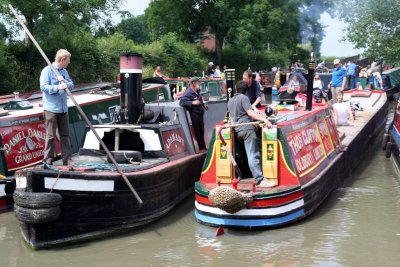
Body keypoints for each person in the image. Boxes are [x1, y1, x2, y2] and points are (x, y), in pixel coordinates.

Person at [227, 80, 274, 187]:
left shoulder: (230, 100)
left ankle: (242, 175)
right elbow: (250, 113)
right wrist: (265, 119)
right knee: (253, 154)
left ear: (236, 89)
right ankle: (259, 179)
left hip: (238, 131)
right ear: (246, 89)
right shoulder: (244, 98)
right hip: (247, 129)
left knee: (259, 146)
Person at [40, 49, 74, 166]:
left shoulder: (64, 71)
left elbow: (71, 84)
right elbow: (43, 87)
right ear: (62, 59)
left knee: (65, 135)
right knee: (50, 135)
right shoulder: (47, 71)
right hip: (51, 109)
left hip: (63, 109)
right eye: (68, 60)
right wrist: (58, 87)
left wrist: (64, 82)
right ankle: (48, 159)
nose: (69, 62)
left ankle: (67, 159)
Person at [179, 77, 207, 151]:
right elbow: (182, 102)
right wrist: (192, 102)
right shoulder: (188, 92)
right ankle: (201, 148)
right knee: (198, 132)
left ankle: (203, 147)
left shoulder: (197, 91)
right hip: (194, 115)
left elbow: (199, 99)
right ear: (194, 84)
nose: (200, 84)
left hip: (200, 114)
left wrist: (203, 105)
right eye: (198, 82)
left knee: (201, 131)